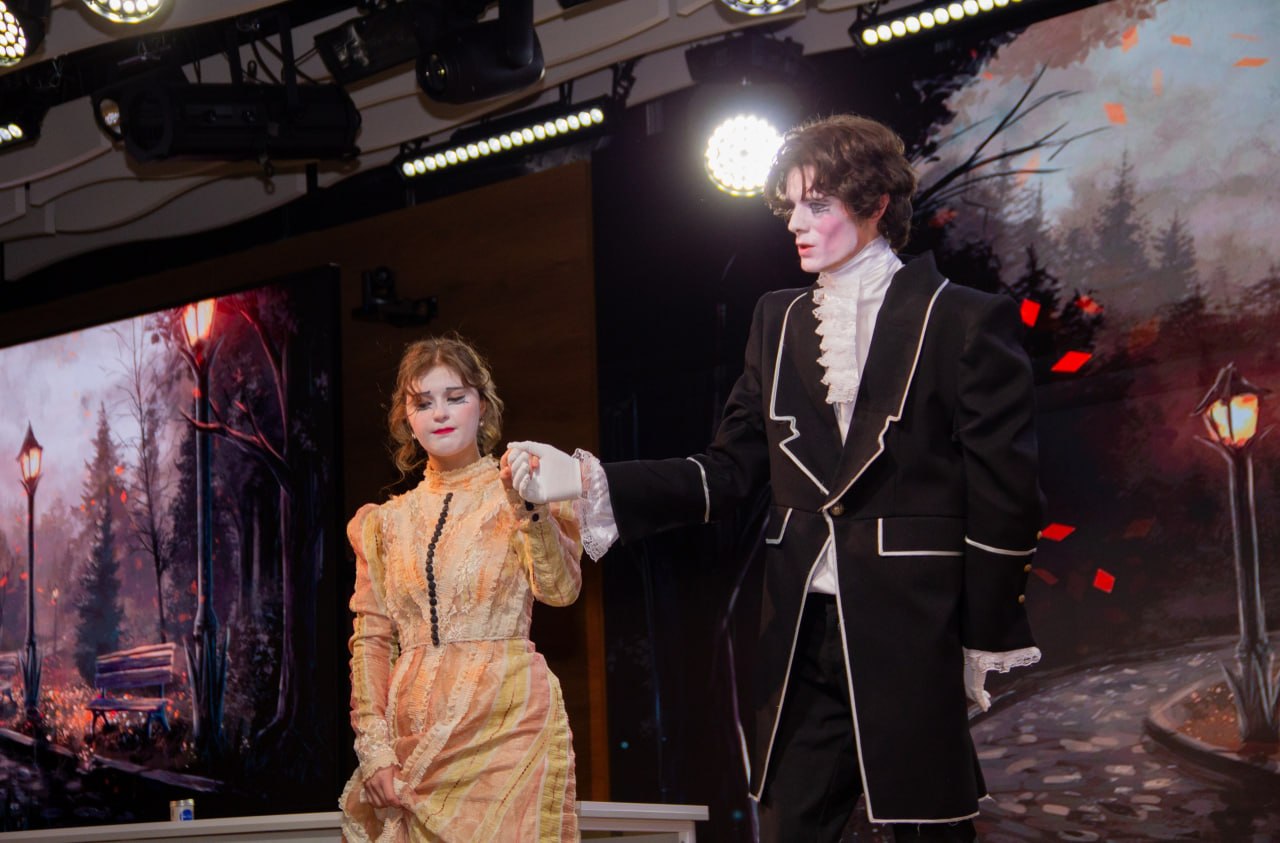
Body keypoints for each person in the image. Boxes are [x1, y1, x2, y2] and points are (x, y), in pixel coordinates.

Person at [507, 114, 1042, 842]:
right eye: (790, 205)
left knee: (927, 827)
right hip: (800, 631)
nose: (796, 223)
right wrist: (588, 477)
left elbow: (1006, 495)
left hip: (913, 625)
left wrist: (982, 631)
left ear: (876, 203)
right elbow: (728, 471)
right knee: (790, 826)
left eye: (817, 204)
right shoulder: (778, 321)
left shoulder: (962, 319)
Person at [340, 335, 583, 843]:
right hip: (412, 743)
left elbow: (560, 591)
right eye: (422, 403)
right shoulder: (384, 524)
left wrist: (530, 507)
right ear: (406, 419)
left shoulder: (519, 492)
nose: (440, 413)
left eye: (455, 397)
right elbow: (372, 642)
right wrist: (375, 750)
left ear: (483, 405)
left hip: (507, 726)